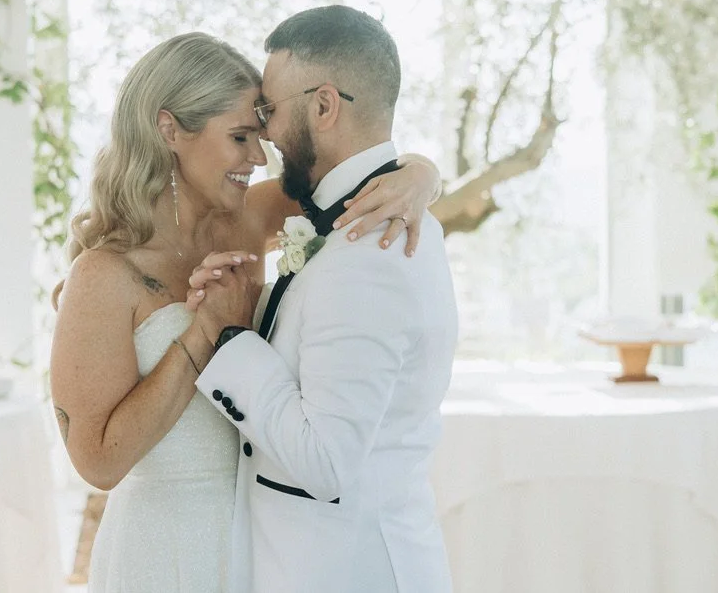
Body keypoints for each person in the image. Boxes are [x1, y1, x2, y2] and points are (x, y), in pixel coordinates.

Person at [48, 31, 442, 593]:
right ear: (170, 131)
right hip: (165, 549)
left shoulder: (250, 218)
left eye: (259, 136)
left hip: (266, 544)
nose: (258, 158)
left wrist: (422, 175)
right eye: (239, 137)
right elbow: (98, 463)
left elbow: (354, 179)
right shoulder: (104, 274)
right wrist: (205, 333)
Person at [187, 6, 458, 593]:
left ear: (324, 105)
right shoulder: (362, 220)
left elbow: (326, 462)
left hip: (349, 571)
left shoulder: (371, 247)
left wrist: (235, 338)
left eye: (268, 111)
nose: (263, 135)